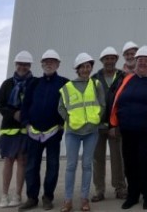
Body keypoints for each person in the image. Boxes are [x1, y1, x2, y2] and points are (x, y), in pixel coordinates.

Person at [109, 46, 147, 210]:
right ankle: (133, 194)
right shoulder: (127, 79)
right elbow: (116, 101)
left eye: (145, 61)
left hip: (146, 130)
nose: (142, 63)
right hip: (127, 130)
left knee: (144, 160)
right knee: (129, 162)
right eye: (140, 60)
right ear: (135, 62)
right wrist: (113, 124)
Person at [19, 50, 69, 211]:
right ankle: (32, 198)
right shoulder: (33, 83)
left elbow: (68, 106)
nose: (49, 64)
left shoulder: (64, 83)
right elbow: (25, 105)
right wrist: (26, 124)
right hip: (33, 133)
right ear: (41, 64)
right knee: (32, 165)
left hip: (54, 133)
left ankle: (48, 197)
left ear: (58, 64)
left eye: (52, 61)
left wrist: (62, 125)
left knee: (53, 165)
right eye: (46, 61)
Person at [59, 53, 104, 212]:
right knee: (71, 166)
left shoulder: (96, 84)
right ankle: (68, 200)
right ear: (77, 69)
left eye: (88, 66)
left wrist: (97, 118)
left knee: (87, 165)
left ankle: (84, 199)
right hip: (72, 132)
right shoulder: (67, 87)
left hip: (91, 131)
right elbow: (61, 107)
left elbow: (102, 104)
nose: (86, 69)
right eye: (83, 67)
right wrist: (69, 120)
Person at [0, 50, 33, 208]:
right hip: (9, 128)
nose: (22, 67)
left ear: (30, 66)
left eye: (25, 65)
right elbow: (0, 103)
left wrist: (25, 116)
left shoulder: (33, 84)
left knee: (22, 161)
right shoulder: (7, 84)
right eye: (20, 64)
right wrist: (13, 114)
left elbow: (35, 103)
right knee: (8, 161)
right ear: (16, 65)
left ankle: (17, 195)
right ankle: (4, 195)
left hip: (25, 129)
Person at [91, 47, 127, 201]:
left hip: (116, 125)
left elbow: (125, 100)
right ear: (102, 61)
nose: (110, 61)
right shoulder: (94, 78)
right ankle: (100, 190)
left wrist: (117, 124)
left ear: (116, 60)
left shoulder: (123, 77)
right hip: (98, 126)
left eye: (112, 58)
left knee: (117, 158)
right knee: (97, 159)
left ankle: (120, 188)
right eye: (107, 58)